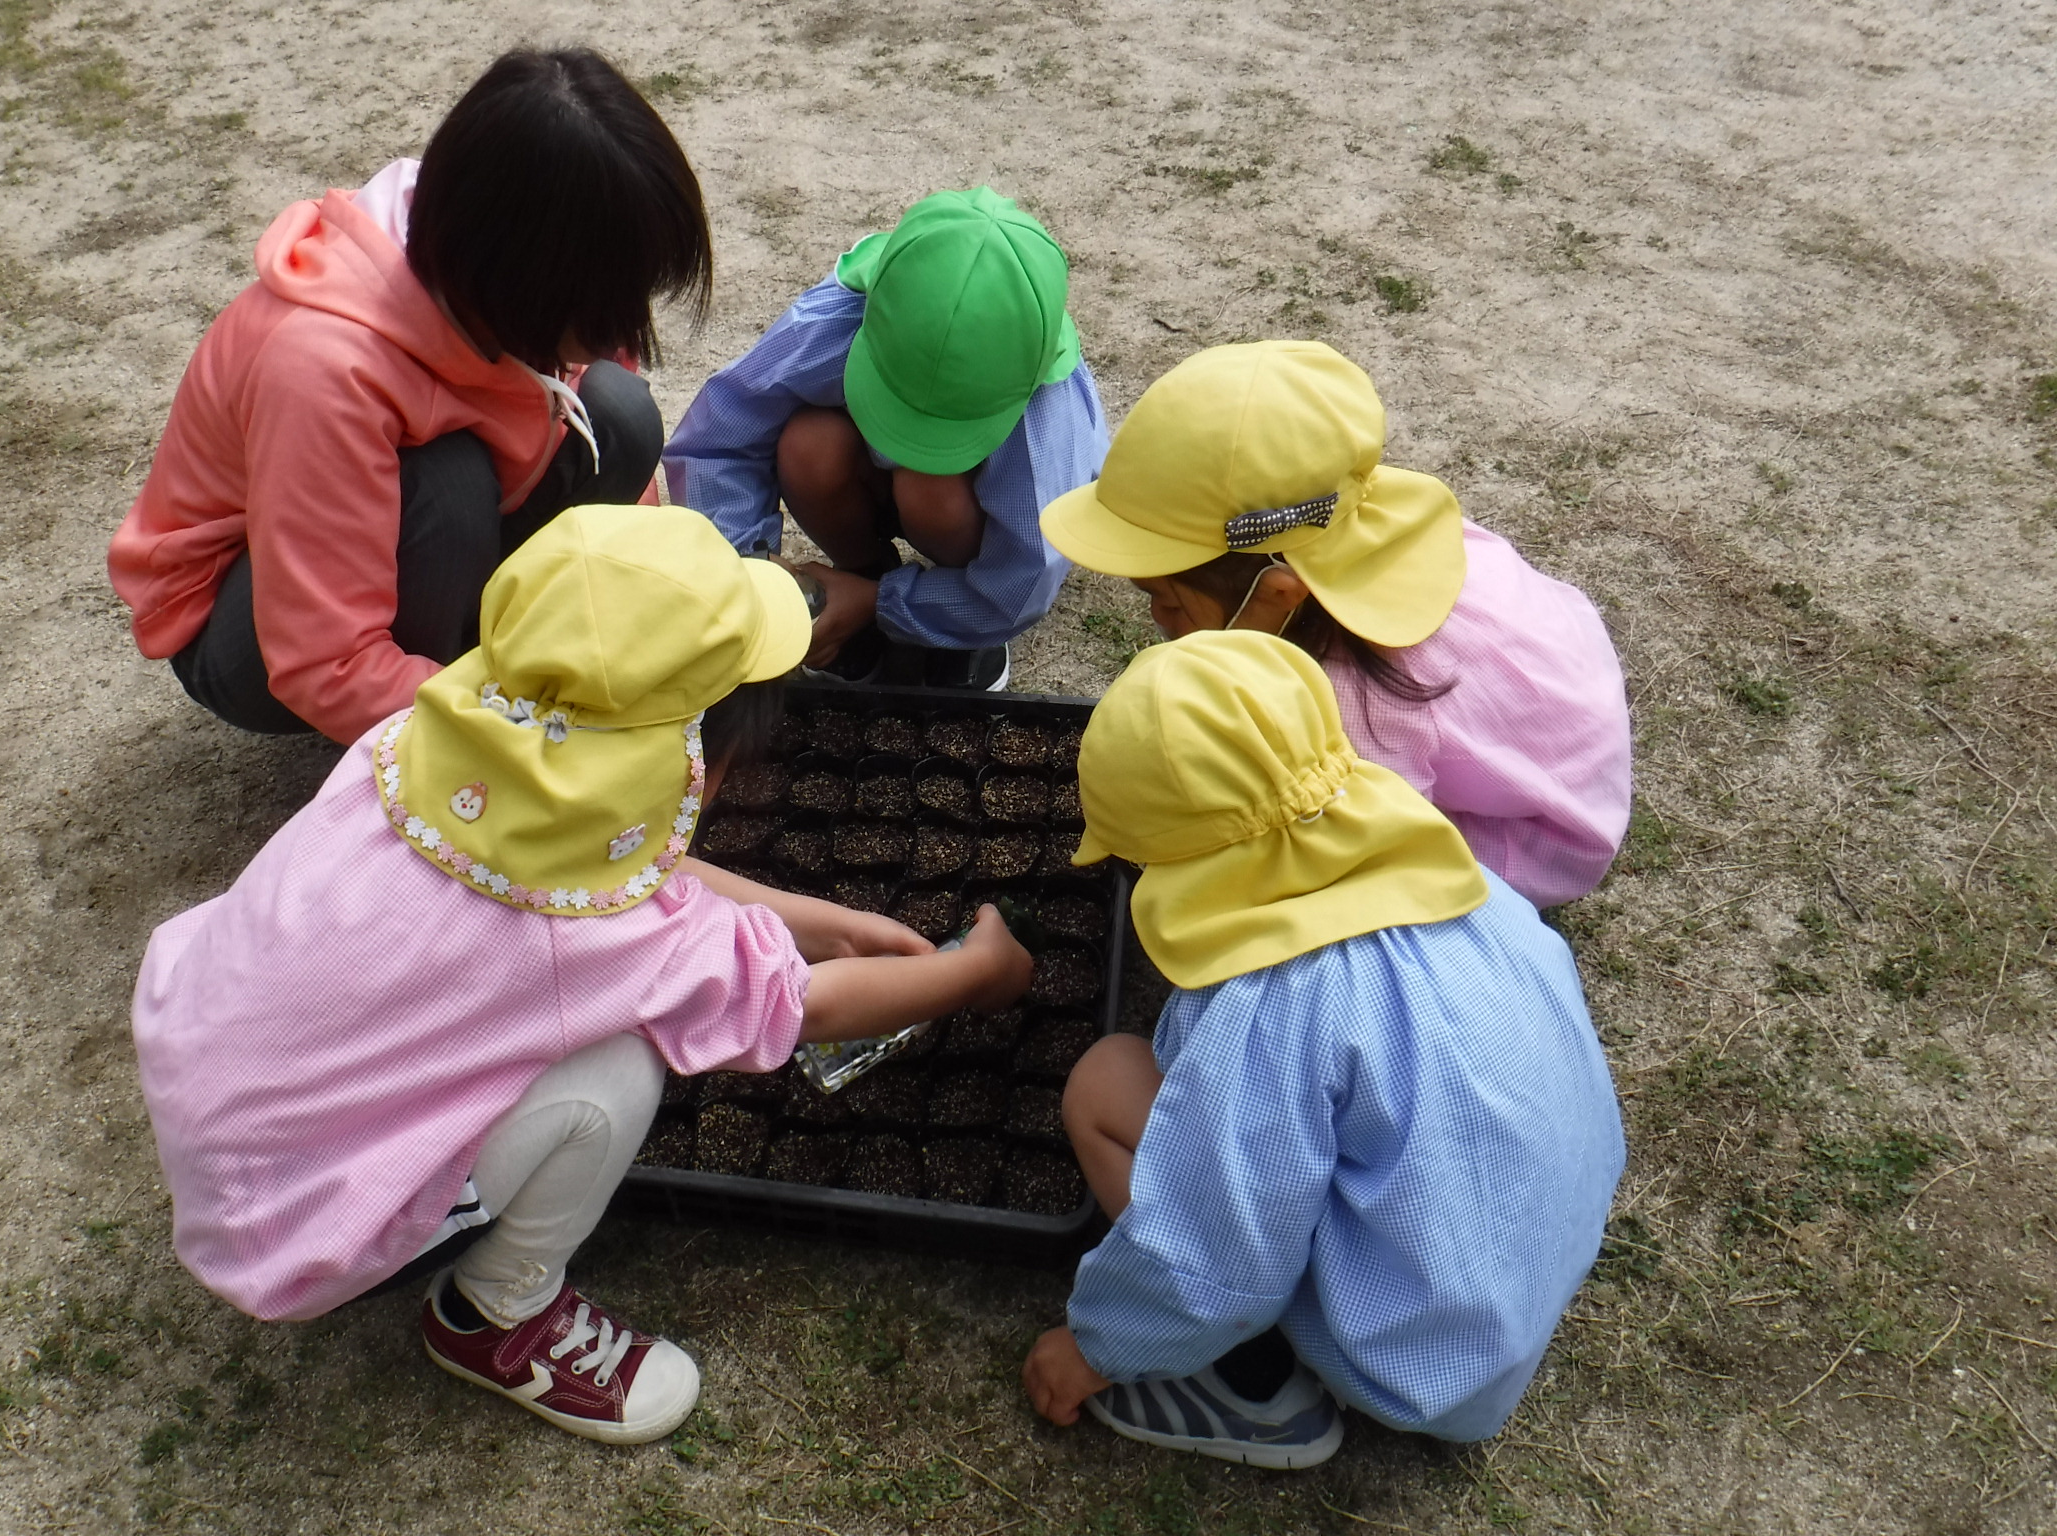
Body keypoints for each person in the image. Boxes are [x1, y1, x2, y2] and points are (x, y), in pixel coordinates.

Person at [130, 506, 1034, 1445]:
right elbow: (804, 1004)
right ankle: (497, 1315)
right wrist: (973, 976)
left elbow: (630, 868)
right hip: (300, 1227)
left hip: (209, 1077)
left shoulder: (407, 753)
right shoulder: (596, 936)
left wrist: (824, 921)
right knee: (615, 1073)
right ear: (694, 766)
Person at [1019, 630, 1624, 1467]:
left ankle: (1252, 1391)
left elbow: (1217, 1247)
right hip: (1524, 1262)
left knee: (1105, 1084)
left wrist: (1096, 1348)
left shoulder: (1282, 1005)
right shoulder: (1469, 882)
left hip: (1412, 1363)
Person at [108, 49, 712, 744]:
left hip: (377, 549)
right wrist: (521, 723)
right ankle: (421, 715)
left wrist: (645, 593)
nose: (625, 321)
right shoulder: (324, 369)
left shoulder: (504, 238)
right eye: (608, 303)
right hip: (253, 634)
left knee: (617, 413)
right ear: (529, 283)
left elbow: (593, 404)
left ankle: (457, 662)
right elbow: (320, 660)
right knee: (447, 483)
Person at [1040, 341, 1630, 909]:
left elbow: (1356, 836)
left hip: (1538, 838)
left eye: (1167, 599)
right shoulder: (1370, 522)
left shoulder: (1354, 703)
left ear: (1276, 590)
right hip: (1565, 723)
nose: (1155, 619)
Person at [663, 187, 1109, 692]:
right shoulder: (836, 319)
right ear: (870, 311)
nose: (912, 441)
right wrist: (748, 565)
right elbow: (717, 440)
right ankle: (858, 583)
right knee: (809, 446)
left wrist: (881, 602)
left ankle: (952, 634)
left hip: (962, 514)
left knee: (929, 487)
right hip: (876, 483)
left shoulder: (1046, 415)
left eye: (944, 431)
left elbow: (1021, 581)